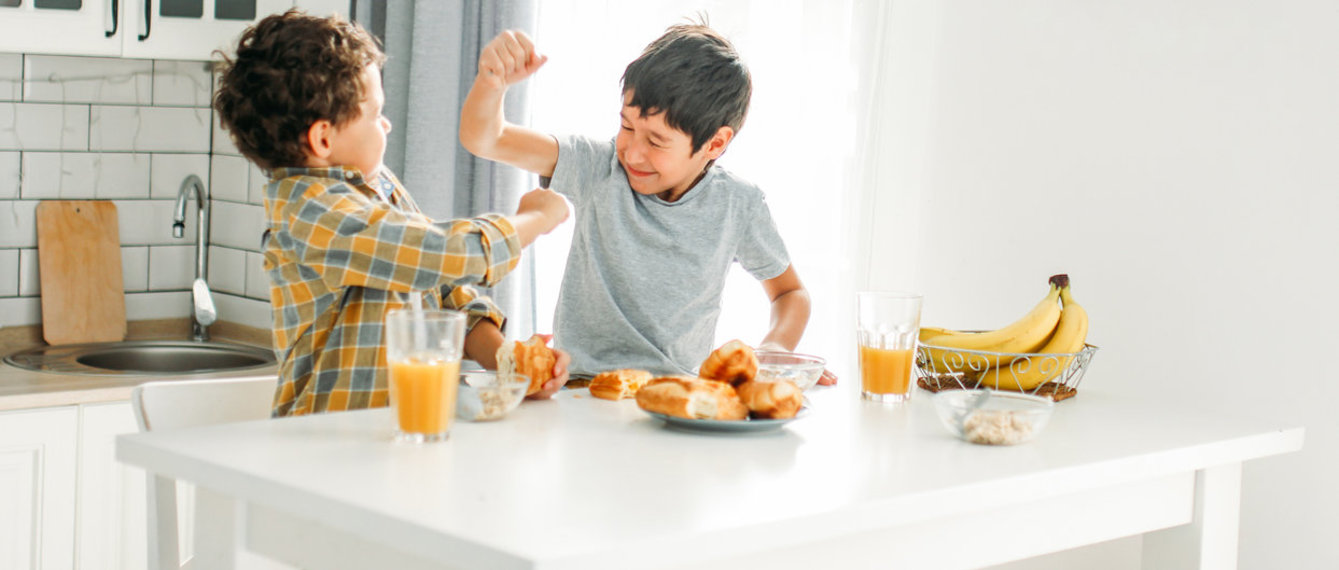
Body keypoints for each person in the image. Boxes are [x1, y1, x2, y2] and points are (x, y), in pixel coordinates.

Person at [212, 10, 571, 416]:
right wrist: (534, 219)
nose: (386, 125)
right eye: (374, 113)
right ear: (323, 137)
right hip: (324, 449)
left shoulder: (377, 186)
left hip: (397, 437)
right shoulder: (313, 214)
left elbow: (444, 291)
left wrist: (510, 364)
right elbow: (446, 254)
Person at [460, 22, 835, 384]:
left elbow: (790, 293)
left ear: (715, 144)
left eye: (656, 142)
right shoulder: (596, 167)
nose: (633, 153)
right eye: (626, 126)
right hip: (582, 390)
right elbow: (486, 139)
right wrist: (492, 83)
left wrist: (773, 351)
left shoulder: (739, 204)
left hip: (676, 398)